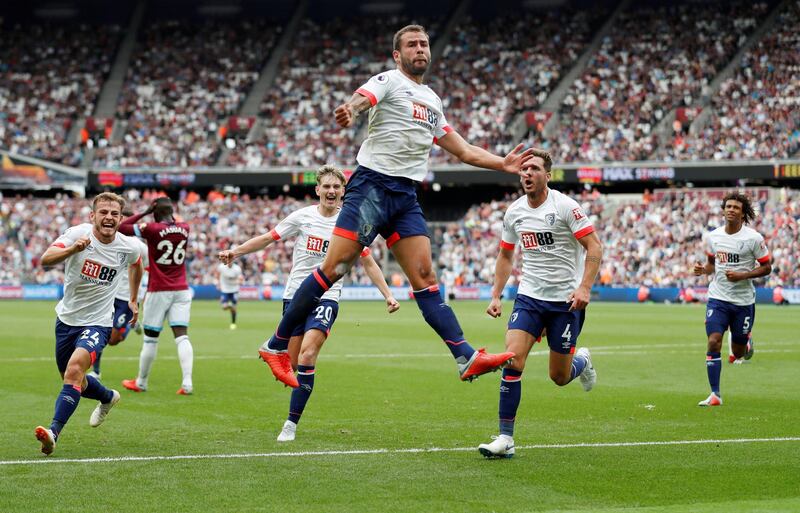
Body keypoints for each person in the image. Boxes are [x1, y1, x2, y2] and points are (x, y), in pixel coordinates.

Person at [260, 24, 536, 387]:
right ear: (398, 54)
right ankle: (276, 345)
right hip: (372, 185)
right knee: (335, 267)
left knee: (425, 279)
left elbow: (464, 149)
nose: (420, 49)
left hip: (405, 195)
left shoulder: (433, 101)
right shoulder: (388, 80)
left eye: (424, 43)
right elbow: (362, 98)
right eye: (412, 44)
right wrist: (351, 109)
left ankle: (465, 356)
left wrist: (501, 163)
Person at [218, 165, 400, 441]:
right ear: (317, 190)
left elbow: (367, 260)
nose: (331, 191)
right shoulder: (302, 217)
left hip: (327, 296)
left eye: (336, 187)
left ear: (343, 192)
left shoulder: (351, 221)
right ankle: (275, 354)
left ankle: (290, 424)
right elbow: (268, 238)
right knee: (291, 364)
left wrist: (388, 294)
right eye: (326, 186)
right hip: (295, 295)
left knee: (307, 355)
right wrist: (236, 251)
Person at [478, 151, 603, 459]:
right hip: (529, 297)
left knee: (559, 377)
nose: (527, 173)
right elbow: (506, 256)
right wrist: (496, 295)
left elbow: (594, 245)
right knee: (513, 360)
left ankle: (582, 361)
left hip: (565, 302)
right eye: (524, 169)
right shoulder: (515, 211)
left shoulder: (565, 207)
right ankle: (505, 438)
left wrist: (585, 286)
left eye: (534, 168)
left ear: (548, 175)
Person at [34, 192, 143, 455]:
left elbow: (137, 264)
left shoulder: (129, 246)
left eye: (114, 214)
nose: (109, 218)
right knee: (75, 382)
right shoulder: (77, 234)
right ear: (93, 215)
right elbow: (46, 259)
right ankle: (107, 397)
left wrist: (133, 298)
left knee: (73, 372)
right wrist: (73, 249)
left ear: (120, 218)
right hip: (67, 320)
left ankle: (53, 433)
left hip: (98, 323)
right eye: (103, 213)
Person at [693, 192, 770, 406]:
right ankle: (715, 394)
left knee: (738, 353)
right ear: (723, 209)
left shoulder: (753, 238)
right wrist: (702, 270)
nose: (731, 210)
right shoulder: (714, 236)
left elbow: (767, 267)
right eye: (728, 206)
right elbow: (711, 265)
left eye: (736, 207)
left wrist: (743, 275)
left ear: (743, 213)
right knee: (713, 341)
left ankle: (746, 343)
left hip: (743, 302)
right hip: (717, 298)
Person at [119, 197, 195, 395]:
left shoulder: (151, 229)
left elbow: (123, 227)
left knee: (151, 339)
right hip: (181, 289)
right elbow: (173, 222)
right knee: (182, 336)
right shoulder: (185, 227)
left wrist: (144, 212)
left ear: (155, 212)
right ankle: (187, 383)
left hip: (159, 289)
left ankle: (141, 382)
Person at [89, 210, 148, 379]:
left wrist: (139, 294)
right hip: (108, 294)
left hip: (126, 298)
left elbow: (147, 269)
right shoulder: (108, 241)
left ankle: (131, 325)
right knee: (99, 331)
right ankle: (96, 371)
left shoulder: (139, 247)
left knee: (114, 340)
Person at [217, 260, 243, 330]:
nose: (229, 262)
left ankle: (233, 323)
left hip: (234, 290)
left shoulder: (237, 269)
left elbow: (241, 279)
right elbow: (217, 274)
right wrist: (218, 283)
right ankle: (230, 306)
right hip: (225, 289)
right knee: (224, 307)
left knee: (234, 308)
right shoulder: (221, 267)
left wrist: (239, 281)